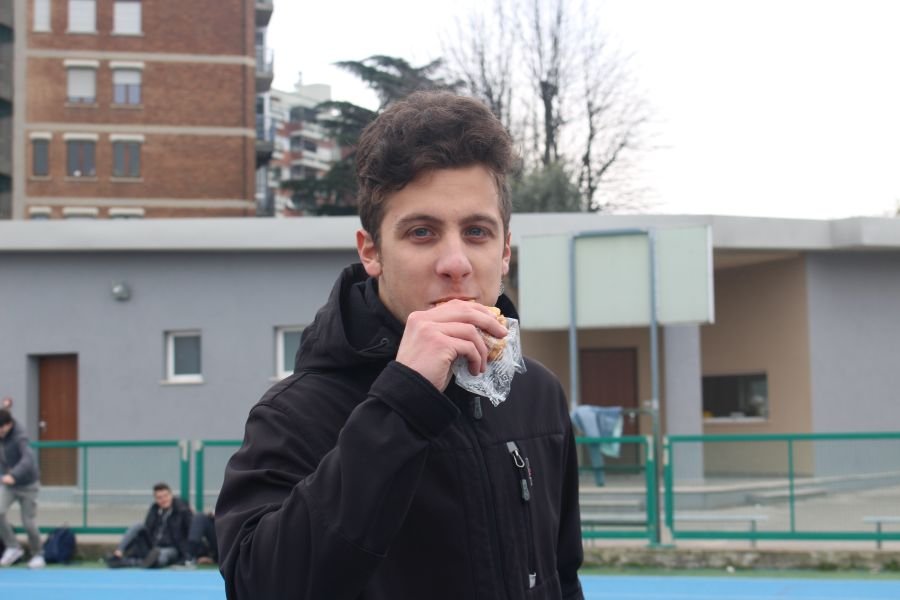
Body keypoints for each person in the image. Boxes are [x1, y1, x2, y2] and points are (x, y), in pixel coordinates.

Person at [216, 91, 584, 599]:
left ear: (504, 251)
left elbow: (562, 578)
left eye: (477, 231)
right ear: (372, 252)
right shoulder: (294, 414)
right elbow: (260, 587)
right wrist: (404, 401)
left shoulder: (538, 393)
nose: (455, 263)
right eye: (422, 232)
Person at [106, 482, 192, 568]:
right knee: (138, 526)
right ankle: (118, 552)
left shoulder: (182, 509)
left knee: (161, 556)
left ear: (171, 495)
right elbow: (147, 528)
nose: (163, 500)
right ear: (156, 499)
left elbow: (190, 530)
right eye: (159, 498)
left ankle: (124, 562)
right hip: (152, 546)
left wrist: (189, 553)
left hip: (172, 548)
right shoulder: (154, 510)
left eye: (166, 496)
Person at [0, 408, 45, 569]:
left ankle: (38, 554)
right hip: (9, 486)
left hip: (28, 485)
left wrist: (14, 475)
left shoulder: (20, 437)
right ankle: (13, 547)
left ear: (8, 425)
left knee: (28, 522)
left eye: (1, 428)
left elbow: (28, 460)